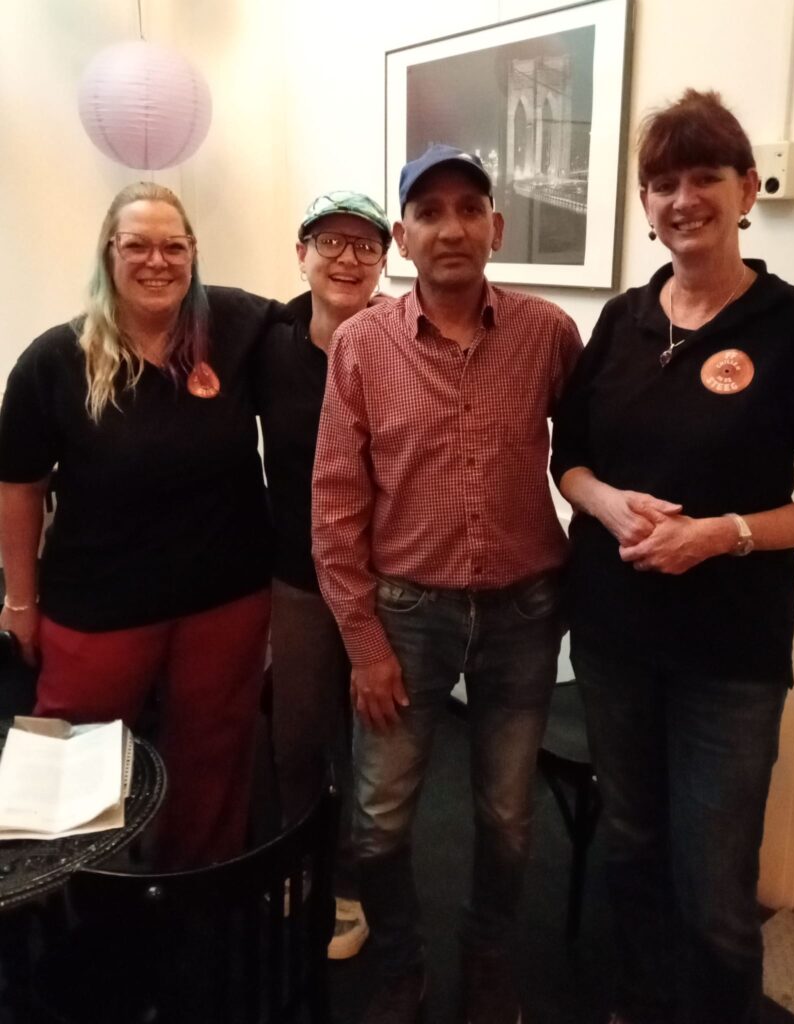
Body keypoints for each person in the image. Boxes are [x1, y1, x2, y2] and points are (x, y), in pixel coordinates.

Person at [550, 89, 794, 1024]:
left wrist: (722, 534)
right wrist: (605, 503)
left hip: (729, 655)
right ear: (645, 204)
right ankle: (638, 1003)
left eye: (704, 177)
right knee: (631, 844)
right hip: (611, 639)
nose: (683, 199)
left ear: (746, 189)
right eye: (662, 183)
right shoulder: (621, 322)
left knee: (716, 886)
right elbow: (568, 459)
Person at [312, 144, 583, 1024]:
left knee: (506, 818)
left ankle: (488, 957)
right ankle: (400, 965)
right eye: (429, 212)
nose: (451, 227)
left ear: (495, 227)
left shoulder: (548, 334)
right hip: (405, 616)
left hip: (523, 614)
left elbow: (591, 458)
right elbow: (335, 504)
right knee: (379, 820)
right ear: (403, 237)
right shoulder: (361, 345)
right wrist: (363, 644)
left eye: (469, 209)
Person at [0, 181, 285, 871]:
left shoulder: (235, 326)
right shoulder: (55, 359)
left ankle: (195, 886)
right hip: (99, 605)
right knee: (72, 761)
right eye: (137, 246)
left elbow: (318, 321)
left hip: (224, 596)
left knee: (214, 753)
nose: (157, 261)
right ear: (109, 253)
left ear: (193, 253)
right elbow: (19, 485)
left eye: (173, 247)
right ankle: (70, 893)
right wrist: (20, 601)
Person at [254, 190, 391, 959]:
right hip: (299, 579)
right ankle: (299, 860)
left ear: (384, 260)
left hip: (389, 584)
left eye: (364, 245)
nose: (346, 258)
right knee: (298, 738)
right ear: (300, 252)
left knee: (375, 751)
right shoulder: (267, 343)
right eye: (329, 242)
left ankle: (354, 882)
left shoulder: (402, 339)